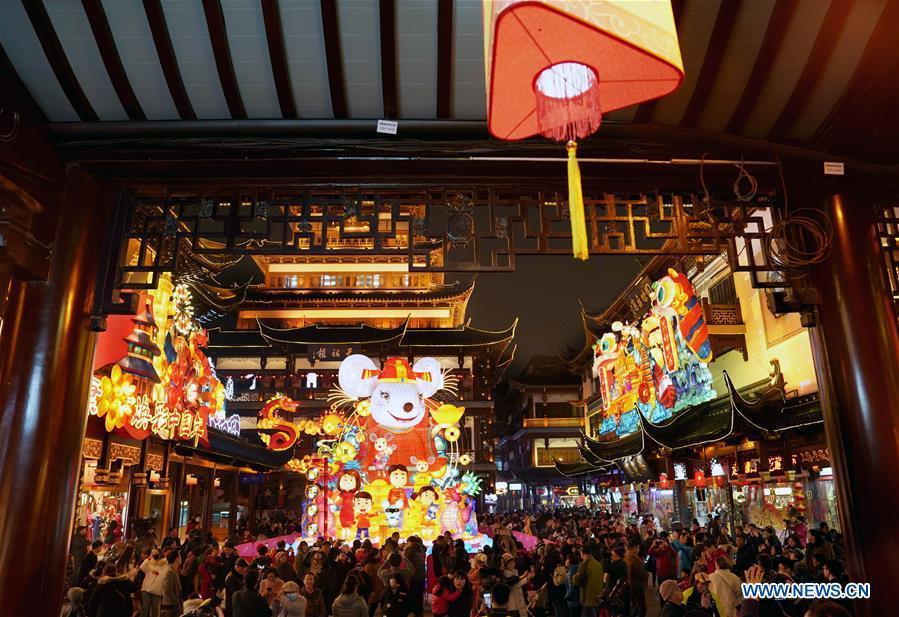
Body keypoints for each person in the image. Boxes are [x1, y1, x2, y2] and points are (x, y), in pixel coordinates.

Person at [571, 545, 604, 617]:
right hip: (597, 596)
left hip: (588, 597)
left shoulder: (585, 564)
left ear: (582, 553)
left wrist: (573, 577)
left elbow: (576, 580)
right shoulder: (598, 564)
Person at [139, 549, 168, 617]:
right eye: (152, 553)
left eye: (155, 553)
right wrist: (148, 559)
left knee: (155, 610)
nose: (154, 554)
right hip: (146, 589)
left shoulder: (165, 565)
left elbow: (165, 575)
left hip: (157, 591)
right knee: (145, 608)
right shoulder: (149, 563)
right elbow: (142, 567)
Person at [623, 540, 648, 617]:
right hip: (637, 585)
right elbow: (641, 573)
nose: (638, 550)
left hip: (630, 584)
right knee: (641, 608)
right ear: (634, 548)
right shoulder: (635, 558)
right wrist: (646, 574)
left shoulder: (625, 557)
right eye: (638, 548)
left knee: (635, 606)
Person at [161, 550, 184, 617]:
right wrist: (176, 601)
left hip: (173, 606)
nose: (180, 558)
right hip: (171, 607)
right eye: (179, 556)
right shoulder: (170, 572)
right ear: (177, 558)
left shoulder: (173, 570)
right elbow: (168, 590)